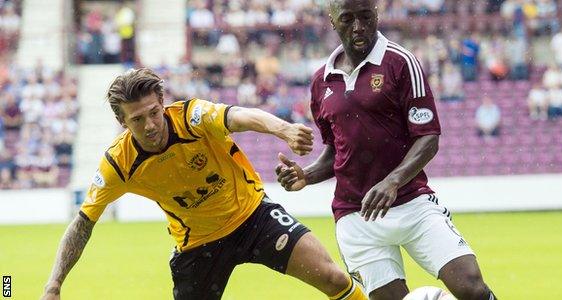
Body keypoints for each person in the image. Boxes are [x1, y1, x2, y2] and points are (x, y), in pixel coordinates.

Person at [41, 68, 366, 300]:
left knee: (332, 277)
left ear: (163, 102)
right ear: (122, 122)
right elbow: (83, 222)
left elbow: (240, 116)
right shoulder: (118, 163)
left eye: (154, 113)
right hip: (198, 247)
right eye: (137, 120)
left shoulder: (193, 117)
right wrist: (53, 286)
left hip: (254, 218)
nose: (150, 125)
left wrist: (283, 130)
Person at [275, 1, 497, 299]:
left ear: (376, 15)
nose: (358, 27)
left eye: (366, 17)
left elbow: (428, 137)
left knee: (472, 289)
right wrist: (307, 175)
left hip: (412, 203)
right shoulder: (321, 81)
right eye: (348, 19)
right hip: (357, 217)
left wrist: (392, 181)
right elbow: (336, 150)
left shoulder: (400, 62)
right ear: (332, 20)